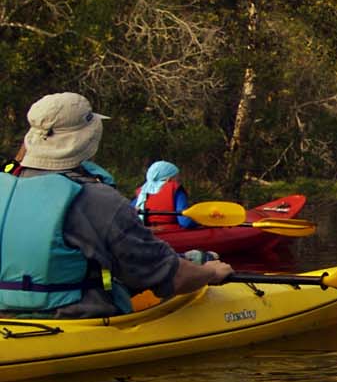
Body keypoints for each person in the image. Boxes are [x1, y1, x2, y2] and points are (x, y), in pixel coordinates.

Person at [0, 92, 233, 318]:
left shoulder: (5, 185)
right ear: (89, 139)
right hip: (73, 320)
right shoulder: (98, 200)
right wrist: (209, 272)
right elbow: (173, 278)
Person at [134, 160, 196, 229]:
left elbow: (129, 216)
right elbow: (185, 222)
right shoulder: (175, 189)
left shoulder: (142, 193)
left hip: (145, 234)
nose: (179, 179)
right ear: (168, 179)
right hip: (171, 235)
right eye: (176, 177)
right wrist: (198, 222)